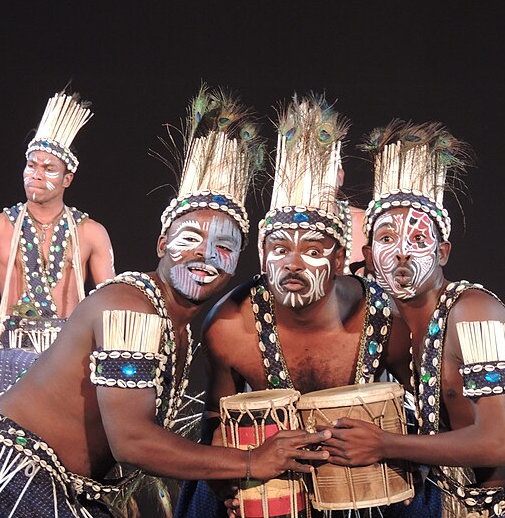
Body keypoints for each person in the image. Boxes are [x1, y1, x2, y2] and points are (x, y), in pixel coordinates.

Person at [0, 88, 329, 518]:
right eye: (190, 238)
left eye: (224, 247)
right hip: (14, 480)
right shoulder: (129, 309)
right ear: (160, 243)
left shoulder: (184, 324)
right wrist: (250, 461)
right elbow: (132, 442)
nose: (205, 256)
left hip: (62, 487)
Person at [322, 122, 505, 517]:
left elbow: (500, 444)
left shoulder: (474, 312)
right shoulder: (402, 330)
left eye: (418, 240)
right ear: (369, 253)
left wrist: (384, 444)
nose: (401, 253)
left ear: (442, 251)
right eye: (387, 239)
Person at [175, 95, 415, 518]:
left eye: (312, 250)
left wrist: (401, 455)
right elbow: (217, 421)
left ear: (340, 260)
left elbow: (426, 409)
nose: (293, 263)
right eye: (280, 248)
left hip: (363, 479)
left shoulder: (382, 318)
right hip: (272, 478)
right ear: (262, 255)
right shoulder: (229, 325)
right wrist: (229, 479)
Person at [0, 91, 115, 405]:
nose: (36, 175)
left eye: (48, 168)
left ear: (68, 178)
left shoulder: (92, 233)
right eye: (31, 165)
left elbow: (108, 306)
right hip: (7, 353)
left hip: (68, 356)